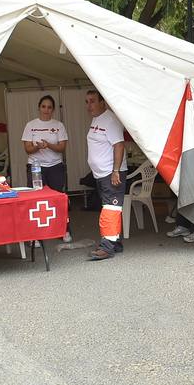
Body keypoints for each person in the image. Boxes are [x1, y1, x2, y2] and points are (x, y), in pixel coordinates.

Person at [22, 94, 72, 244]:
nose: (46, 110)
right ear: (39, 108)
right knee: (35, 201)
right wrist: (37, 146)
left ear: (53, 110)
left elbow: (62, 148)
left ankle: (64, 230)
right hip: (36, 167)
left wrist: (48, 145)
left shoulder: (58, 125)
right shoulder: (30, 125)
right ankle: (35, 236)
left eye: (49, 107)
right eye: (43, 106)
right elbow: (27, 149)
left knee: (59, 200)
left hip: (55, 166)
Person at [85, 89, 127, 262]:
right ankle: (115, 242)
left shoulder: (110, 120)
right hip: (101, 174)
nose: (89, 105)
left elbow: (119, 145)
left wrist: (115, 170)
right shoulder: (97, 119)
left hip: (111, 173)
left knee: (110, 209)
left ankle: (107, 248)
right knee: (112, 208)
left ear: (103, 102)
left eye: (93, 101)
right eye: (87, 102)